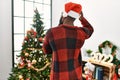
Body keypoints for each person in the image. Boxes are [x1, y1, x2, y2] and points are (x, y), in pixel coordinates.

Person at [43, 2, 94, 80]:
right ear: (76, 17)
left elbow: (46, 50)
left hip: (58, 76)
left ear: (63, 15)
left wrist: (60, 23)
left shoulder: (51, 32)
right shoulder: (81, 32)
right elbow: (90, 29)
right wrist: (82, 19)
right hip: (75, 76)